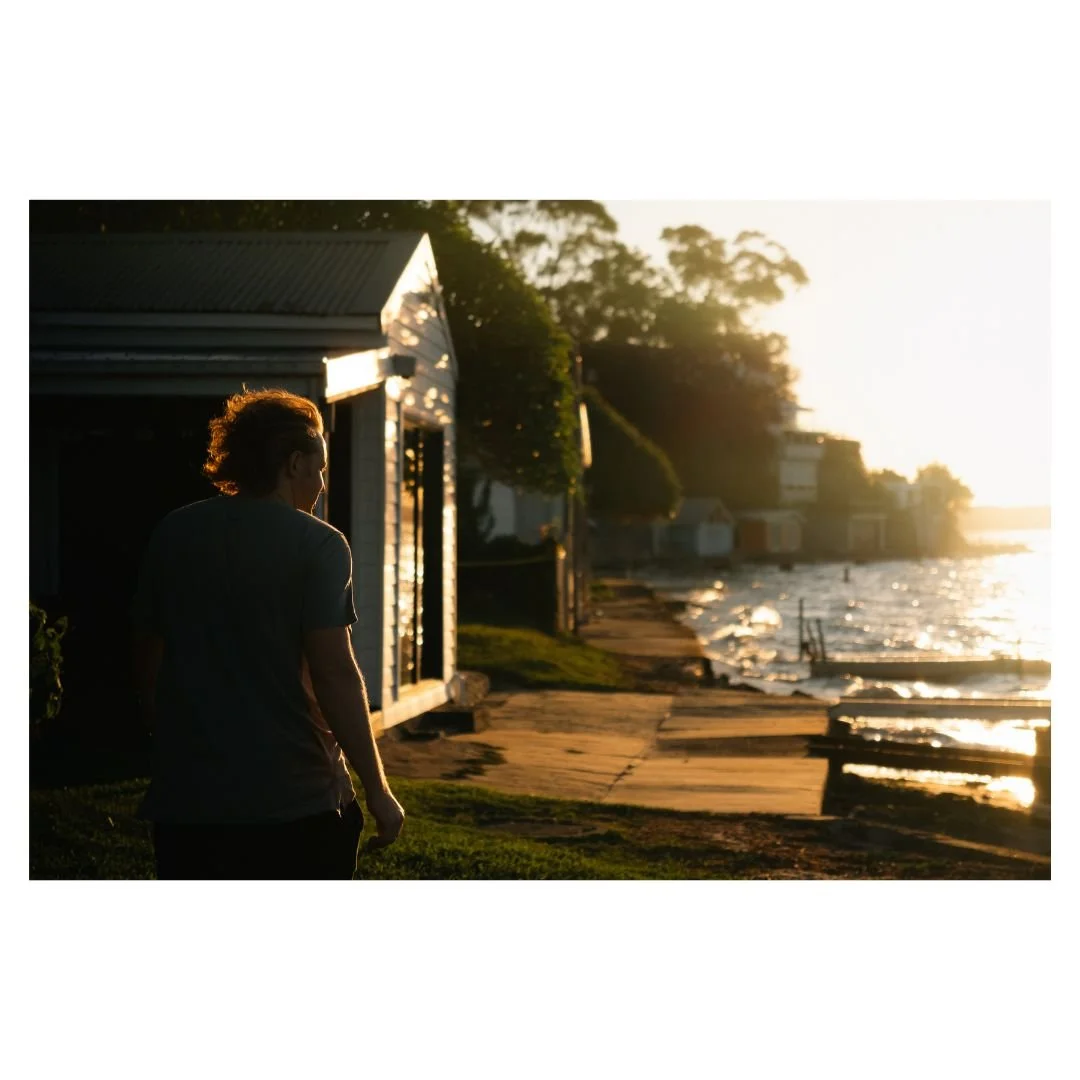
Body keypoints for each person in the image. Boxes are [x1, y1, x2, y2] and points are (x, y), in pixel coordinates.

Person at [131, 388, 405, 879]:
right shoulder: (318, 544)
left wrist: (173, 742)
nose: (322, 483)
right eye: (319, 468)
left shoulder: (174, 531)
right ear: (294, 462)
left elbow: (149, 655)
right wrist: (378, 791)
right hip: (297, 802)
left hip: (189, 805)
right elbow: (335, 675)